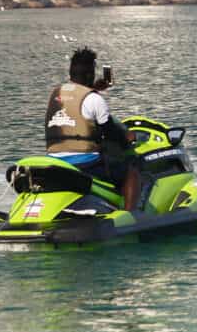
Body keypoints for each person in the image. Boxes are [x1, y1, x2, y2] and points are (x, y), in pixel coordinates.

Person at [44, 47, 141, 212]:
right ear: (90, 74)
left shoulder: (55, 93)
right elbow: (111, 132)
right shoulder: (94, 99)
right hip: (85, 164)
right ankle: (130, 216)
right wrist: (128, 138)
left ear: (71, 73)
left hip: (56, 161)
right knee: (132, 172)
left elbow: (76, 102)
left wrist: (93, 88)